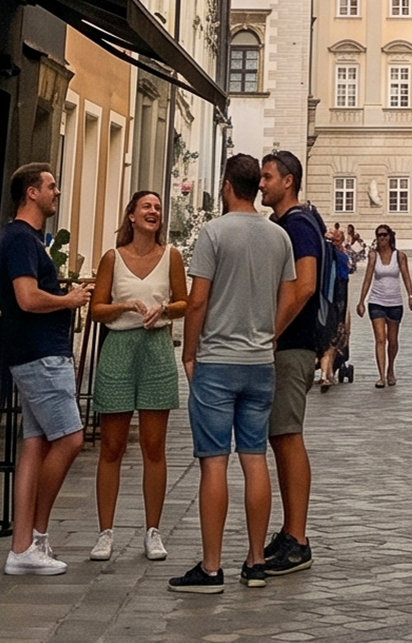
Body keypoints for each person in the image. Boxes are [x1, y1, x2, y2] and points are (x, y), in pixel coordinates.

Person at [168, 154, 296, 594]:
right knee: (255, 458)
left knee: (214, 463)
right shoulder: (279, 236)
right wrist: (269, 337)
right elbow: (288, 294)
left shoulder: (214, 232)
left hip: (218, 360)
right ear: (255, 187)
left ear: (226, 186)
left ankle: (211, 566)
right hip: (259, 363)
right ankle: (257, 561)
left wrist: (188, 352)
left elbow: (197, 300)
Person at [0, 163, 92, 576]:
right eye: (51, 186)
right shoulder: (20, 238)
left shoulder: (23, 238)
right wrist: (68, 300)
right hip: (40, 353)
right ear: (31, 193)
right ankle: (36, 535)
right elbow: (28, 298)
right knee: (70, 439)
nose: (57, 191)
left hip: (31, 351)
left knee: (35, 445)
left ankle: (22, 548)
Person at [87, 191, 187, 562]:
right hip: (118, 350)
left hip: (157, 349)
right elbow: (96, 310)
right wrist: (125, 305)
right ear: (130, 215)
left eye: (158, 208)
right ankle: (105, 532)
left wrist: (163, 308)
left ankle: (153, 530)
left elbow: (185, 302)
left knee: (153, 447)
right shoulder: (112, 258)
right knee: (111, 447)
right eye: (146, 206)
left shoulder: (171, 256)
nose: (153, 212)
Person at [259, 150, 321, 577]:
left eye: (267, 177)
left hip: (292, 344)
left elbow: (304, 286)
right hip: (288, 342)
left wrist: (271, 333)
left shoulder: (297, 224)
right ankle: (289, 530)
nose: (261, 184)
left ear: (288, 181)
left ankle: (297, 538)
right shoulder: (285, 224)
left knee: (287, 435)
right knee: (281, 436)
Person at [357, 225, 412, 388]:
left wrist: (411, 295)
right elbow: (368, 278)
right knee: (380, 339)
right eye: (379, 235)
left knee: (393, 340)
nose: (381, 238)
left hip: (395, 302)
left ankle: (391, 370)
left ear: (390, 237)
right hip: (376, 302)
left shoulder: (400, 256)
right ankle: (381, 375)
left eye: (384, 235)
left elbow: (406, 276)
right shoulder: (373, 256)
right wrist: (361, 301)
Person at [317, 227, 353, 393]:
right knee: (330, 339)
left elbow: (345, 280)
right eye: (334, 239)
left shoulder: (342, 256)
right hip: (330, 301)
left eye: (338, 239)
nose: (335, 242)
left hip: (339, 301)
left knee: (334, 339)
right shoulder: (328, 254)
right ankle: (326, 374)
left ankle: (328, 373)